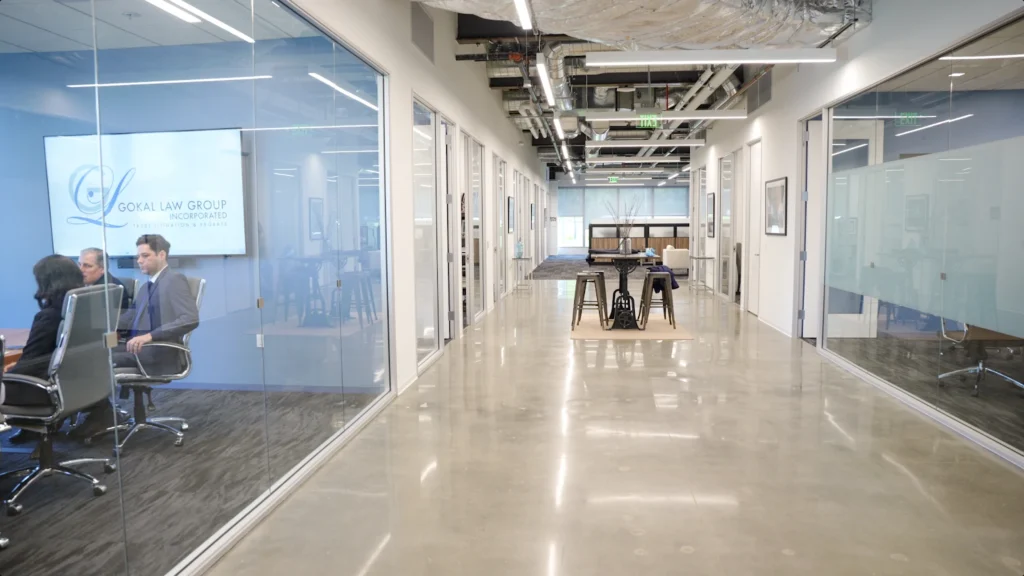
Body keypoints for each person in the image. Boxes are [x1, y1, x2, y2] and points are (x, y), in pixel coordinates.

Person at [2, 255, 85, 444]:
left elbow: (25, 369)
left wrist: (11, 370)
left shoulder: (48, 316)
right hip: (73, 384)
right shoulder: (80, 306)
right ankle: (32, 428)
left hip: (41, 390)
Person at [113, 234, 199, 376]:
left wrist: (149, 336)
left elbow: (190, 318)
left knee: (98, 361)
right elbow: (127, 319)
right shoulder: (146, 287)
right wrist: (106, 329)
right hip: (136, 348)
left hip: (155, 353)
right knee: (95, 352)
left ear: (161, 255)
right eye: (138, 256)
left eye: (145, 256)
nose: (139, 261)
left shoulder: (173, 280)